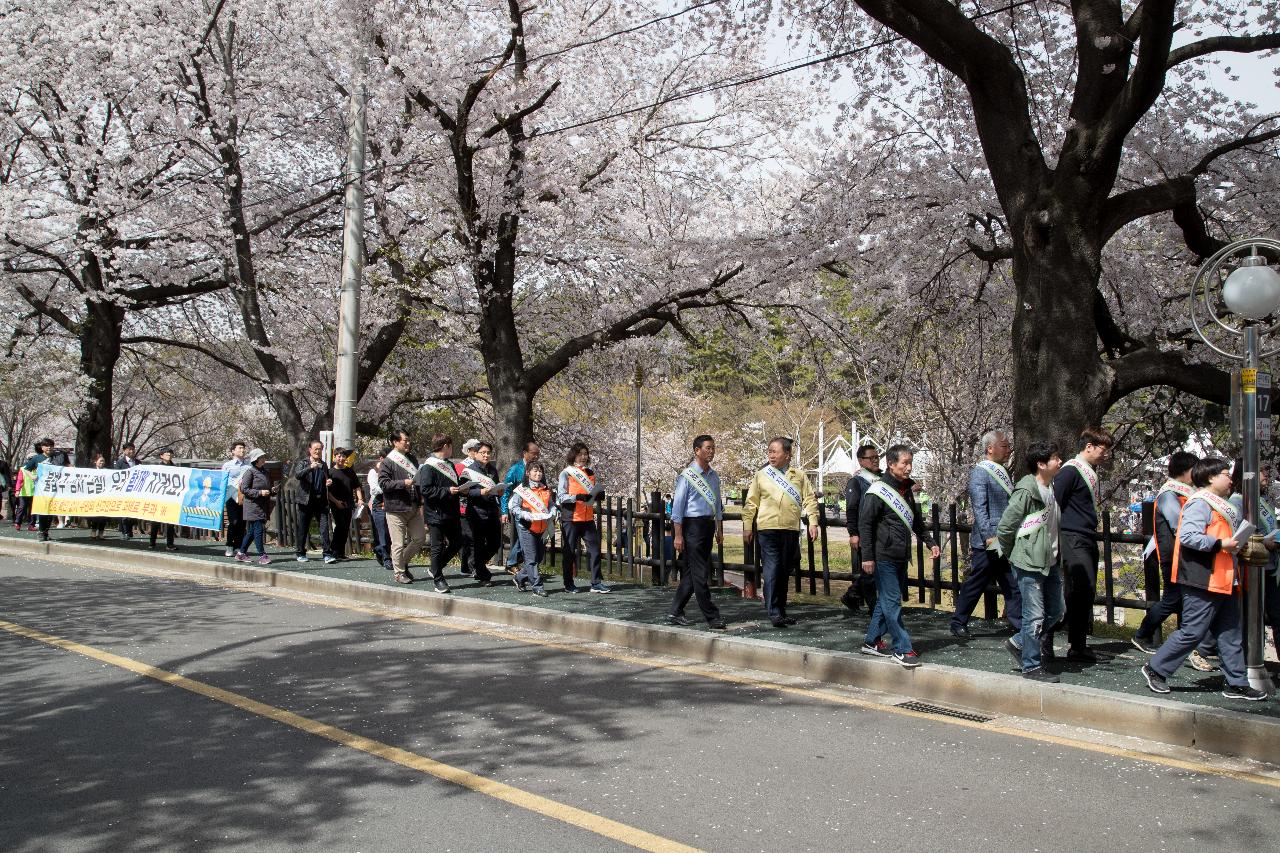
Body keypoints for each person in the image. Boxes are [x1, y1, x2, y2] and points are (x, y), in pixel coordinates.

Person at [1141, 458, 1266, 701]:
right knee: (1193, 631)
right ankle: (1155, 668)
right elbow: (1188, 536)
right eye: (1224, 474)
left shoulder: (1220, 504)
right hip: (1202, 577)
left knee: (1230, 632)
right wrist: (1221, 544)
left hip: (1225, 577)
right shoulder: (1200, 503)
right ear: (1210, 477)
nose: (1230, 479)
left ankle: (1236, 683)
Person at [858, 443, 939, 667]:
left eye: (910, 463)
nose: (909, 467)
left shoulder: (906, 490)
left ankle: (872, 641)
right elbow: (865, 525)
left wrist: (930, 543)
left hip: (901, 554)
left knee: (887, 602)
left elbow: (916, 522)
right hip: (883, 555)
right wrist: (867, 557)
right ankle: (902, 648)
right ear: (891, 464)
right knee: (892, 602)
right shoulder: (877, 490)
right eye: (905, 463)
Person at [994, 441, 1064, 681]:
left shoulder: (1050, 487)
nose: (1060, 461)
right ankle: (1031, 666)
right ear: (1041, 464)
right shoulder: (1026, 491)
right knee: (1034, 616)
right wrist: (1018, 554)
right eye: (1055, 458)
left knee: (1056, 611)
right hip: (1029, 562)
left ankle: (1018, 642)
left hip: (1050, 560)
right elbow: (1005, 528)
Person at [1047, 427, 1114, 662]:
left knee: (1083, 591)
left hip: (1085, 535)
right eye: (1103, 450)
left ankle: (1077, 643)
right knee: (1079, 588)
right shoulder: (1071, 472)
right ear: (1089, 447)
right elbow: (1054, 503)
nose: (1106, 455)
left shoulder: (1087, 471)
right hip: (1072, 536)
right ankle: (1048, 637)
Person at [1131, 452, 1204, 658]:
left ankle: (1182, 644)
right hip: (1173, 555)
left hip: (1179, 555)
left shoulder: (1181, 493)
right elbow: (1178, 524)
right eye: (1194, 470)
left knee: (1180, 599)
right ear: (1185, 471)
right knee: (1173, 599)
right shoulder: (1169, 494)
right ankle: (1142, 634)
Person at [742, 437, 820, 628]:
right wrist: (747, 526)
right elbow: (751, 503)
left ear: (787, 454)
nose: (771, 455)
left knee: (784, 570)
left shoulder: (799, 476)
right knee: (772, 569)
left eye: (775, 452)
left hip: (790, 529)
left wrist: (813, 521)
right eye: (769, 451)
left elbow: (809, 499)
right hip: (767, 529)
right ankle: (774, 611)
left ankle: (781, 610)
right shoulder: (761, 475)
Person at [951, 430, 1022, 638]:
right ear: (990, 448)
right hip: (990, 541)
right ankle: (958, 621)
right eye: (1004, 446)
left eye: (1009, 446)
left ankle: (1020, 625)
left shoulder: (1001, 471)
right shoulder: (981, 472)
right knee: (979, 581)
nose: (1008, 450)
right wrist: (989, 536)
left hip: (1004, 539)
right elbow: (980, 508)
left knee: (1011, 582)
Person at [667, 434, 727, 629]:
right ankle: (712, 616)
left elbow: (717, 505)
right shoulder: (687, 476)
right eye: (708, 448)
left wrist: (719, 529)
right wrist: (677, 535)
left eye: (713, 448)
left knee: (692, 573)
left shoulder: (714, 476)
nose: (711, 451)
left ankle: (676, 611)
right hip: (692, 527)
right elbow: (678, 509)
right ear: (697, 450)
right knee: (701, 572)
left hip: (708, 526)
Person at [556, 442, 608, 594]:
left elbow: (590, 493)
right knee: (569, 552)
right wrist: (576, 497)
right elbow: (561, 496)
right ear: (574, 455)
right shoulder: (566, 473)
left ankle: (596, 582)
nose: (584, 457)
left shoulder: (590, 473)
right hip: (571, 518)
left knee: (595, 550)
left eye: (586, 454)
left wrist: (598, 495)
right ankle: (568, 583)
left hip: (587, 518)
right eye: (580, 454)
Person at [415, 433, 464, 594]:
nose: (452, 450)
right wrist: (447, 490)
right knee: (437, 546)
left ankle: (435, 567)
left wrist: (462, 488)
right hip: (436, 513)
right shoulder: (429, 466)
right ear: (445, 446)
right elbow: (426, 490)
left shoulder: (449, 464)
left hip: (451, 511)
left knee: (457, 542)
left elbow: (454, 484)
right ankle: (438, 578)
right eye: (450, 446)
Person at [379, 429, 424, 585]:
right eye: (405, 440)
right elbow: (383, 483)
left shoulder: (412, 458)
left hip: (413, 505)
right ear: (395, 442)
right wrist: (402, 483)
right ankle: (399, 573)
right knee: (398, 543)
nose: (408, 443)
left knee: (419, 538)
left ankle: (401, 563)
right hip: (396, 508)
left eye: (408, 440)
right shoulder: (388, 461)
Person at [841, 445, 882, 613]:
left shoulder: (881, 478)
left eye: (876, 457)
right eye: (870, 458)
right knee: (869, 572)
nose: (875, 460)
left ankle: (852, 595)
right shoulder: (856, 481)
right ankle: (873, 608)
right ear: (861, 461)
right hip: (864, 532)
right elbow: (851, 509)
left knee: (874, 571)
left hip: (880, 534)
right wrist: (853, 533)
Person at [461, 441, 504, 585]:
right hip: (476, 512)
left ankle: (475, 563)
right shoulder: (469, 470)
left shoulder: (492, 470)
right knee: (478, 544)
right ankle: (482, 574)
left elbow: (496, 487)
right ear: (476, 454)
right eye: (483, 453)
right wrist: (480, 492)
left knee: (495, 542)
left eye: (488, 453)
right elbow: (464, 491)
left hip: (491, 510)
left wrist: (499, 491)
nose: (486, 455)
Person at [509, 461, 554, 596]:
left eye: (540, 471)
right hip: (526, 527)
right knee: (531, 559)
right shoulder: (522, 489)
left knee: (539, 557)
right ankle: (537, 586)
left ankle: (519, 577)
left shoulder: (545, 489)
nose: (538, 473)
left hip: (542, 528)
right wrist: (524, 514)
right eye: (535, 470)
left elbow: (550, 505)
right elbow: (514, 507)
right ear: (528, 473)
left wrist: (553, 511)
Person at [292, 439, 335, 564]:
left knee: (324, 527)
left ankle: (327, 553)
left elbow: (327, 478)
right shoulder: (304, 462)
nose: (318, 451)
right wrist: (310, 467)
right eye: (315, 449)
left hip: (321, 501)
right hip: (306, 500)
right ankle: (300, 553)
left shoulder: (324, 464)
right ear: (310, 450)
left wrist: (329, 482)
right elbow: (298, 475)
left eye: (320, 449)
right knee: (304, 528)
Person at [502, 441, 541, 573]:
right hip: (519, 508)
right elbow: (505, 491)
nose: (536, 456)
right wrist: (504, 511)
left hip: (534, 509)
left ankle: (516, 563)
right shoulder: (515, 469)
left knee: (528, 536)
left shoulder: (538, 468)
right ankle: (514, 563)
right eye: (533, 454)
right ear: (525, 453)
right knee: (524, 536)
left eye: (538, 454)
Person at [235, 448, 274, 564]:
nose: (264, 459)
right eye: (262, 457)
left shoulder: (265, 472)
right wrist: (259, 493)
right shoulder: (250, 472)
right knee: (258, 530)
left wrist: (271, 490)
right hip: (252, 506)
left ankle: (241, 553)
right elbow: (244, 489)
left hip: (262, 505)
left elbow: (266, 488)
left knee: (251, 532)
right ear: (256, 459)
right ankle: (262, 555)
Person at [327, 447, 361, 561]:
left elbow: (357, 486)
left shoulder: (350, 471)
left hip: (349, 503)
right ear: (335, 457)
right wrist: (336, 502)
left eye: (343, 456)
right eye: (339, 456)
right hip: (335, 503)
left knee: (345, 527)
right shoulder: (330, 472)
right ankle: (334, 551)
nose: (341, 458)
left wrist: (359, 499)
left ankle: (340, 552)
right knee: (339, 526)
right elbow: (327, 491)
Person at [367, 447, 395, 571]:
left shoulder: (393, 470)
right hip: (379, 504)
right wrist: (391, 486)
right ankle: (386, 557)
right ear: (381, 459)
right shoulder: (374, 472)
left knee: (390, 533)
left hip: (392, 503)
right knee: (382, 532)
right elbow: (374, 489)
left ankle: (381, 551)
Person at [220, 441, 249, 557]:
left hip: (243, 496)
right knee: (234, 521)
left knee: (242, 522)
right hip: (231, 496)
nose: (242, 450)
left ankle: (239, 546)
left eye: (243, 448)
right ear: (233, 451)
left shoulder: (248, 465)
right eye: (240, 448)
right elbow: (222, 480)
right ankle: (229, 545)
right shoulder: (227, 465)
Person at [457, 438, 480, 576]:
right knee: (468, 537)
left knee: (474, 537)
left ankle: (467, 565)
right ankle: (469, 566)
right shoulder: (460, 466)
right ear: (469, 451)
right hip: (463, 505)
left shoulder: (481, 466)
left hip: (477, 505)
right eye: (475, 450)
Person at [149, 448, 178, 551]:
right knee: (155, 522)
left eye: (170, 454)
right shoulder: (157, 468)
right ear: (161, 456)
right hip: (159, 498)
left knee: (170, 523)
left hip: (170, 498)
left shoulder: (175, 468)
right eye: (166, 454)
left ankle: (170, 544)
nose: (169, 456)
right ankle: (152, 543)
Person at [22, 439, 52, 540]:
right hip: (41, 490)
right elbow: (26, 469)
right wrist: (32, 476)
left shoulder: (56, 458)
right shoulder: (37, 458)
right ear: (42, 447)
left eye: (51, 445)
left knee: (51, 512)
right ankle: (41, 532)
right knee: (43, 511)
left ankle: (46, 531)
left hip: (54, 490)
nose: (49, 447)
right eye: (47, 445)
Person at [115, 442, 140, 539]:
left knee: (132, 512)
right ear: (124, 451)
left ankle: (129, 531)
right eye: (129, 449)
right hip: (124, 492)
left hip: (135, 491)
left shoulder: (138, 462)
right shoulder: (120, 463)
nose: (132, 451)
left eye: (133, 449)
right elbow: (116, 476)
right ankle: (124, 531)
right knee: (124, 512)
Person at [88, 453, 110, 539]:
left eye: (103, 461)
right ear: (95, 462)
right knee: (95, 516)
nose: (102, 462)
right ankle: (93, 532)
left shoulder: (107, 471)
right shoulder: (91, 471)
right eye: (100, 461)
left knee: (103, 516)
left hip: (104, 497)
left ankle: (101, 533)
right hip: (94, 496)